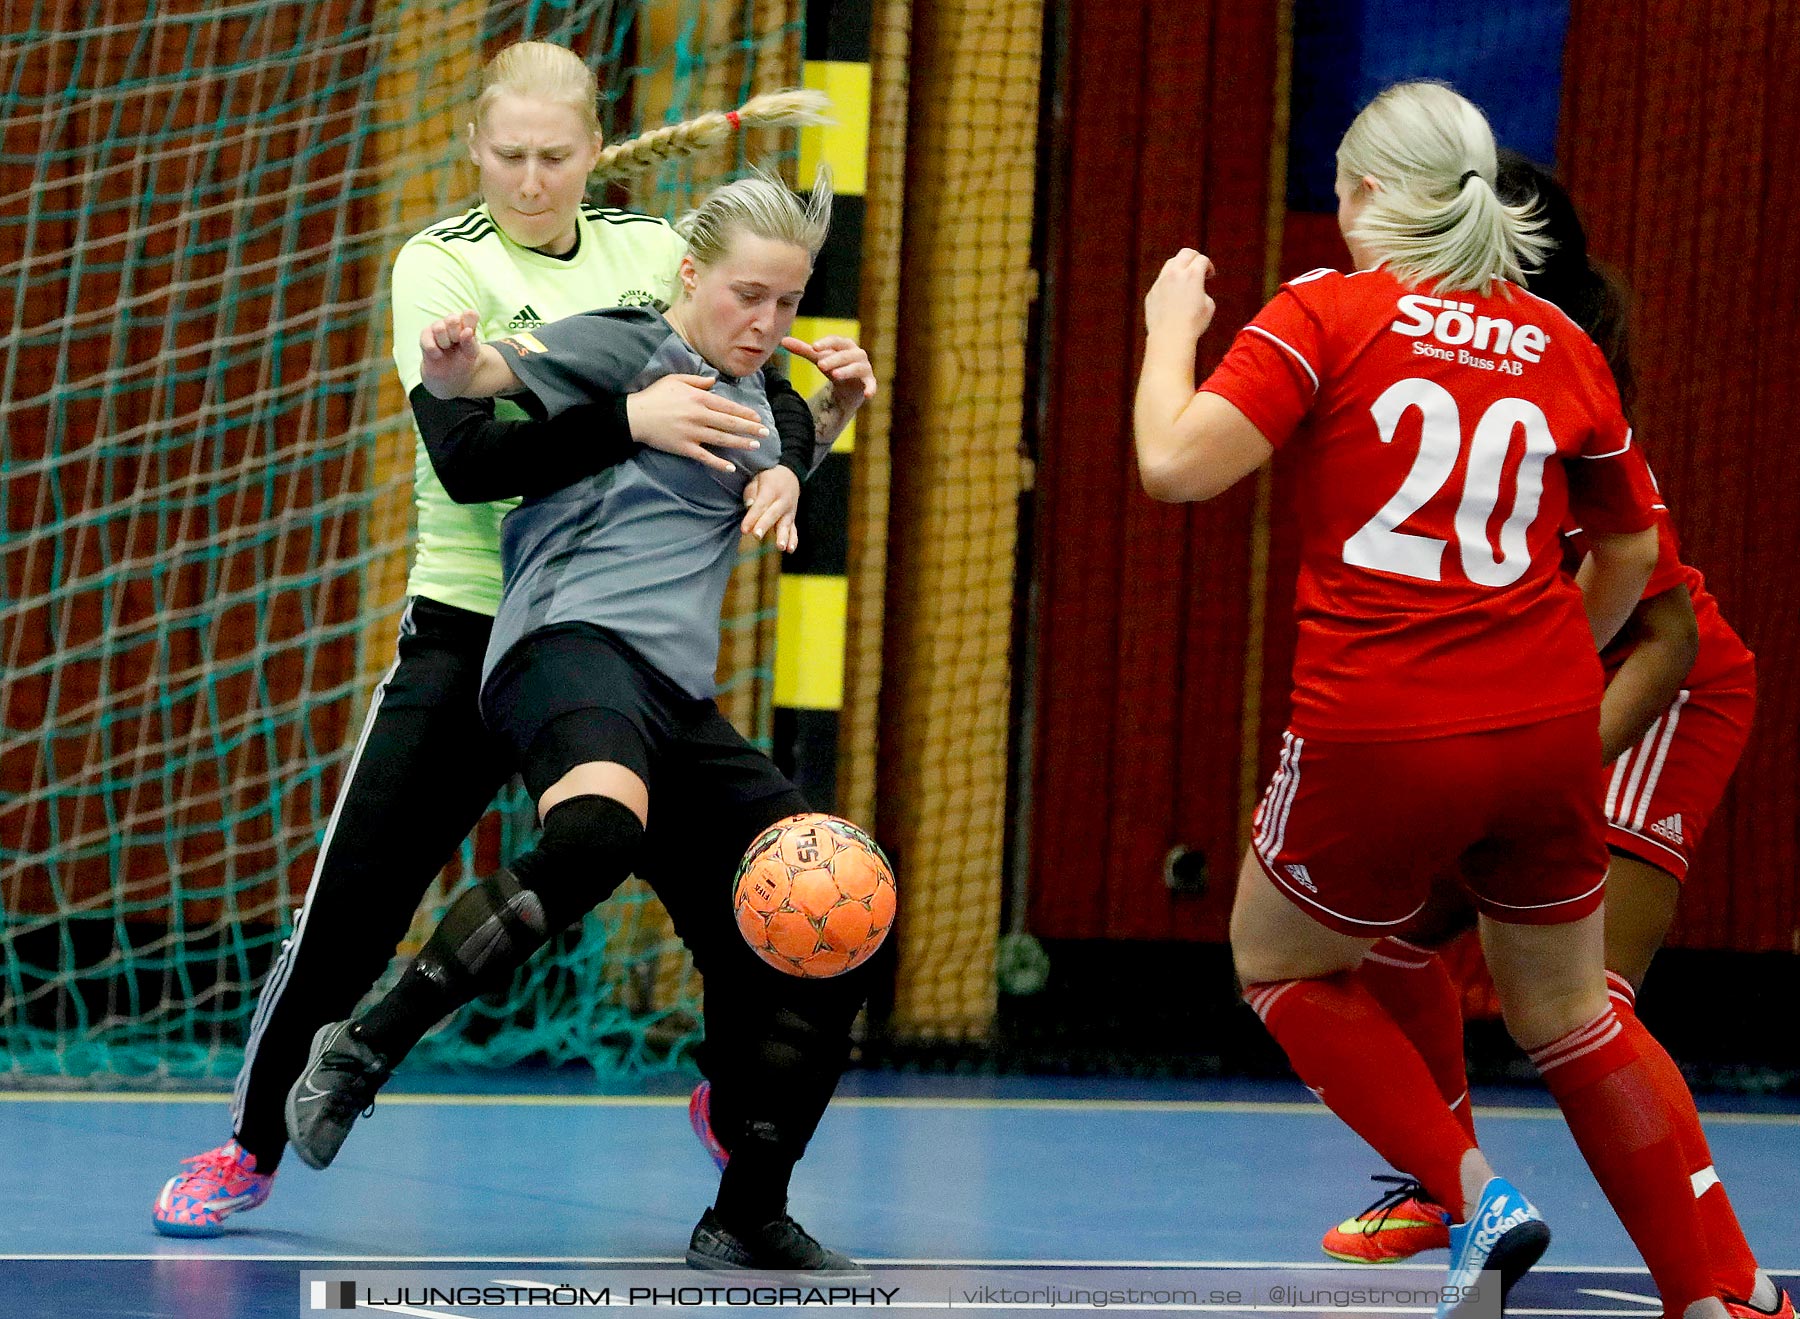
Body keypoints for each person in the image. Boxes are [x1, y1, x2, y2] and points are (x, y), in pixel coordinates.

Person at [151, 41, 847, 1237]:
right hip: (469, 627)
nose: (531, 180)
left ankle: (740, 1110)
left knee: (756, 888)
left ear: (593, 154)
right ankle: (248, 1141)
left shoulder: (646, 254)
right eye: (510, 156)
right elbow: (469, 463)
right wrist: (627, 419)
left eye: (555, 157)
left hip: (611, 641)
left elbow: (750, 373)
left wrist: (809, 428)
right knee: (354, 908)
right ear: (476, 148)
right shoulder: (441, 265)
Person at [1135, 80, 1739, 1319]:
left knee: (1280, 961)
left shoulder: (1327, 308)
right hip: (1543, 727)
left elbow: (1173, 466)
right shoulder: (1560, 340)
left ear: (1362, 194)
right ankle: (1721, 1293)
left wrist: (1167, 326)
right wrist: (1549, 666)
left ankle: (1470, 1191)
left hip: (1381, 718)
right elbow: (1630, 556)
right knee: (1573, 1013)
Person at [281, 166, 881, 1273]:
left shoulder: (765, 401)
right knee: (596, 835)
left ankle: (748, 1208)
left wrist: (821, 435)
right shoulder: (628, 344)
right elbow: (497, 374)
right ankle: (364, 1047)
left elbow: (776, 459)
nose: (767, 321)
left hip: (673, 697)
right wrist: (461, 364)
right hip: (564, 650)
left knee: (835, 913)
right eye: (748, 293)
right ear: (690, 275)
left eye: (788, 303)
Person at [1314, 152, 1786, 1319]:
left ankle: (1732, 1284)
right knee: (1366, 936)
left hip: (1651, 696)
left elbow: (1666, 637)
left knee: (1581, 1011)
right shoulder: (1408, 368)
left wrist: (1546, 766)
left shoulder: (1556, 391)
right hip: (1517, 712)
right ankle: (1444, 1182)